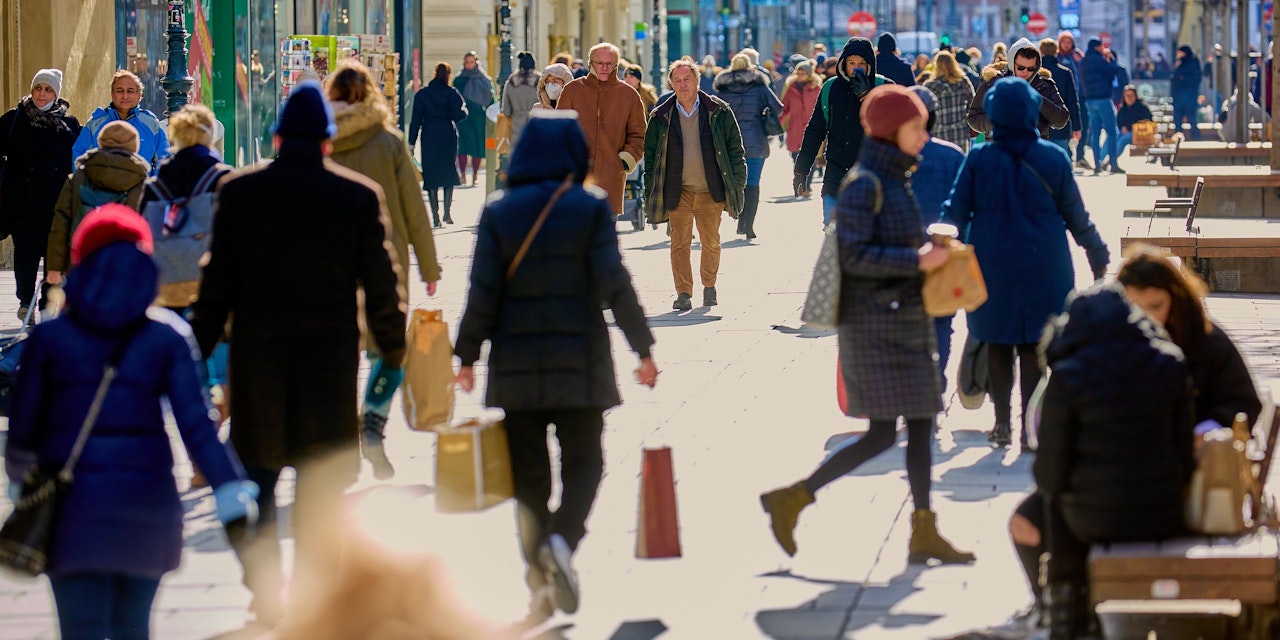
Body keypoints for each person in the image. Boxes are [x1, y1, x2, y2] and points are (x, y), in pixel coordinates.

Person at [186, 81, 407, 626]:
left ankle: (265, 590)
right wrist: (393, 345)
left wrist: (196, 346)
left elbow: (216, 282)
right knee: (321, 493)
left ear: (278, 136)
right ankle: (312, 599)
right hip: (328, 364)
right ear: (328, 141)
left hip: (257, 360)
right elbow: (381, 281)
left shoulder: (240, 192)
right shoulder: (356, 195)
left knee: (253, 484)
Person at [4, 204, 256, 640]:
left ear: (81, 258)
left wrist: (19, 480)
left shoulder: (48, 338)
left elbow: (24, 427)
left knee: (80, 630)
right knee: (132, 629)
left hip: (68, 513)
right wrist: (229, 488)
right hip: (147, 508)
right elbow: (197, 424)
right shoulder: (167, 335)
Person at [453, 111, 657, 622]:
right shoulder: (588, 208)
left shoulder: (498, 211)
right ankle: (563, 542)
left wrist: (465, 355)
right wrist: (643, 348)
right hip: (580, 361)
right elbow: (615, 281)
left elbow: (482, 291)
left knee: (528, 478)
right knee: (585, 461)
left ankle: (539, 573)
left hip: (516, 366)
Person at [760, 85, 975, 565]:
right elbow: (853, 256)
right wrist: (917, 259)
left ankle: (923, 530)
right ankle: (793, 497)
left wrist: (929, 250)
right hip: (875, 325)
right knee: (883, 432)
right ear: (891, 130)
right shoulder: (866, 183)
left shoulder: (895, 176)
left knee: (920, 422)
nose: (924, 136)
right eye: (916, 127)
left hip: (904, 317)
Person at [1001, 245, 1262, 637]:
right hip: (1130, 482)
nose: (1146, 318)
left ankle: (1068, 609)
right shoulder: (1101, 355)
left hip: (1181, 483)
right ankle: (1053, 604)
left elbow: (1243, 404)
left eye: (1155, 306)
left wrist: (1206, 429)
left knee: (1066, 509)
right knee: (1027, 521)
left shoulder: (1199, 344)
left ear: (1177, 301)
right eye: (1134, 307)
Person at [941, 77, 1110, 448]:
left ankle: (1002, 424)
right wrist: (1097, 255)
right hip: (1046, 267)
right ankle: (1031, 429)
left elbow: (953, 212)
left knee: (998, 343)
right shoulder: (1053, 157)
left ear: (995, 115)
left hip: (991, 267)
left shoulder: (979, 159)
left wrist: (935, 247)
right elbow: (1077, 216)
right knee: (1036, 348)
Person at [1032, 283, 1194, 639]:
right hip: (1163, 514)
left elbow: (1049, 475)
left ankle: (1066, 616)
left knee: (1055, 501)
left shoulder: (1069, 376)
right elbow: (1185, 455)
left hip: (1092, 522)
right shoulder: (1169, 362)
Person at [327, 59, 442, 480]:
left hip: (329, 264)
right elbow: (414, 208)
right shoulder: (390, 142)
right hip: (385, 261)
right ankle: (373, 419)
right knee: (388, 351)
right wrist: (429, 267)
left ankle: (340, 437)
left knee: (337, 351)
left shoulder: (319, 142)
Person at [644, 59, 747, 310]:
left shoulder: (719, 111)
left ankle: (709, 286)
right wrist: (650, 191)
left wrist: (738, 183)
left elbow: (736, 150)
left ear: (697, 81)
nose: (682, 85)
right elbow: (650, 158)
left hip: (710, 190)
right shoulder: (661, 116)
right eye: (677, 80)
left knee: (711, 241)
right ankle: (683, 293)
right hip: (677, 191)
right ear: (671, 83)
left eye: (686, 79)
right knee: (679, 243)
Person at [0, 69, 80, 323]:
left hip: (57, 206)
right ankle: (25, 301)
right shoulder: (13, 120)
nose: (42, 94)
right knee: (25, 257)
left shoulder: (69, 125)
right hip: (22, 205)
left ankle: (46, 305)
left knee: (54, 261)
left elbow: (77, 162)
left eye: (48, 90)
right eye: (38, 88)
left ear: (56, 94)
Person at [137, 103, 231, 309]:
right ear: (209, 136)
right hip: (212, 281)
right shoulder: (224, 179)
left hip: (165, 281)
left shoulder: (156, 186)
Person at [793, 36, 893, 227]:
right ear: (843, 63)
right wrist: (801, 170)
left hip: (872, 179)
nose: (856, 67)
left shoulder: (884, 87)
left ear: (870, 64)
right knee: (833, 237)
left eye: (862, 63)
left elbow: (892, 128)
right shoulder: (831, 88)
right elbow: (815, 131)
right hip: (835, 177)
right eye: (851, 62)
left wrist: (866, 97)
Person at [906, 85, 966, 385]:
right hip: (942, 250)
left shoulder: (891, 155)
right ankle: (936, 380)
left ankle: (913, 384)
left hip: (902, 254)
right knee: (942, 321)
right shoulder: (952, 155)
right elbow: (965, 207)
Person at [47, 121, 150, 286]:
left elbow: (61, 222)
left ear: (101, 141)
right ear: (134, 145)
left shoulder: (78, 176)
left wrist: (54, 267)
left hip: (80, 258)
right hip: (125, 261)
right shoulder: (141, 180)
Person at [556, 42, 648, 217]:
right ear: (591, 63)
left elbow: (639, 135)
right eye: (600, 63)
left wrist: (623, 161)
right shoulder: (572, 90)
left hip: (611, 176)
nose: (605, 68)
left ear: (616, 64)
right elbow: (559, 131)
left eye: (610, 64)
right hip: (577, 177)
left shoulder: (629, 95)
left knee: (604, 238)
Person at [714, 52, 782, 240]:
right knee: (753, 183)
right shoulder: (760, 85)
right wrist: (762, 113)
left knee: (735, 182)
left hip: (730, 143)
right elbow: (778, 107)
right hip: (756, 140)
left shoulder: (723, 88)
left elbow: (714, 113)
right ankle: (748, 225)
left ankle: (738, 216)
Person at [968, 38, 1070, 141]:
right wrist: (998, 120)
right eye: (1021, 67)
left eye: (1031, 69)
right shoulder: (992, 83)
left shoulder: (1045, 85)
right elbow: (973, 119)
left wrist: (1037, 100)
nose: (1025, 72)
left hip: (1033, 150)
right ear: (1012, 64)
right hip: (1000, 149)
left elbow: (1061, 119)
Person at [71, 70, 169, 175]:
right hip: (103, 189)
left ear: (139, 95)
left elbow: (164, 160)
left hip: (141, 189)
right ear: (112, 94)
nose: (125, 96)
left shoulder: (150, 123)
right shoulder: (95, 123)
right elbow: (79, 157)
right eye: (119, 91)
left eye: (130, 91)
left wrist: (150, 184)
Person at [409, 62, 467, 227]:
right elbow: (459, 115)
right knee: (448, 171)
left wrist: (411, 143)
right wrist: (464, 111)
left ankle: (435, 217)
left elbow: (415, 121)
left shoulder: (423, 94)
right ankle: (447, 213)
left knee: (431, 173)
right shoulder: (452, 93)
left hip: (429, 136)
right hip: (447, 135)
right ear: (448, 75)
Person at [1080, 37, 1126, 174]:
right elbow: (1114, 70)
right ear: (1097, 47)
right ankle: (1113, 164)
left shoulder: (1084, 62)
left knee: (1095, 133)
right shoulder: (1099, 60)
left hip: (1089, 100)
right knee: (1112, 132)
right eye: (1101, 46)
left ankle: (1097, 164)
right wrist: (1109, 58)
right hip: (1104, 99)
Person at [781, 59, 822, 195]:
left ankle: (806, 186)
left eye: (803, 73)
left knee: (811, 157)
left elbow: (823, 109)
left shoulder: (816, 89)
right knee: (796, 158)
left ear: (809, 74)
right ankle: (800, 184)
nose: (800, 75)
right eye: (798, 73)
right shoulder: (791, 88)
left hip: (812, 130)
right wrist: (776, 125)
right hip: (795, 128)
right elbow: (784, 108)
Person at [453, 51, 494, 186]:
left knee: (477, 145)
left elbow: (490, 99)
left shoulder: (484, 79)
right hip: (463, 117)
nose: (469, 65)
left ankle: (475, 175)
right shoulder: (459, 80)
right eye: (467, 62)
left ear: (476, 62)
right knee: (463, 146)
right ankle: (463, 174)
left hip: (478, 116)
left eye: (472, 62)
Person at [923, 51, 975, 151]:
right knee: (960, 163)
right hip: (960, 132)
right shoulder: (963, 82)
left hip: (938, 133)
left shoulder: (930, 86)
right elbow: (973, 104)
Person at [1040, 38, 1083, 158]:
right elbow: (1073, 102)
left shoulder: (1034, 73)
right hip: (1062, 125)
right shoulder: (1065, 72)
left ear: (1040, 51)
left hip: (1040, 126)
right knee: (1061, 161)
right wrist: (1077, 127)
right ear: (1056, 52)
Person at [1057, 32, 1092, 170]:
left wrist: (1081, 59)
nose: (1067, 45)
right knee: (1066, 127)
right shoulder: (1057, 57)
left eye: (1069, 42)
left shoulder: (1076, 56)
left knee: (1084, 125)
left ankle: (1080, 155)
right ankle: (1069, 155)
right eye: (1064, 42)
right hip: (1064, 98)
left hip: (1080, 96)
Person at [502, 51, 541, 147]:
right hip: (537, 125)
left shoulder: (511, 82)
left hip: (517, 126)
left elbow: (506, 111)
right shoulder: (540, 81)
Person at [1116, 84, 1154, 153]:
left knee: (1122, 140)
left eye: (1131, 95)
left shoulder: (1142, 107)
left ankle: (1112, 160)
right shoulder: (1122, 108)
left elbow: (1148, 121)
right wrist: (1123, 127)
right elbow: (1119, 121)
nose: (1129, 98)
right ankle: (1100, 159)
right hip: (1125, 132)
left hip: (1140, 133)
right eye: (1127, 96)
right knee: (1113, 138)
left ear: (1136, 96)